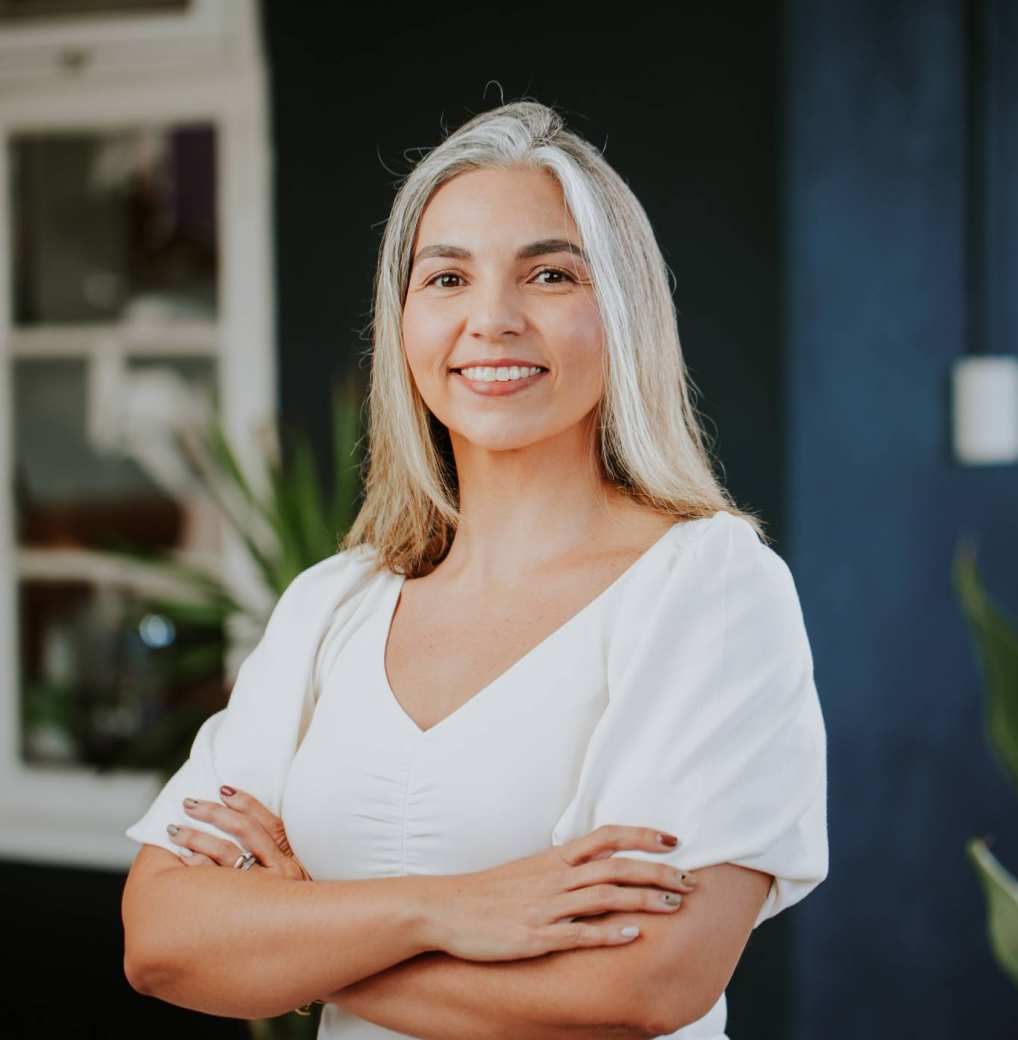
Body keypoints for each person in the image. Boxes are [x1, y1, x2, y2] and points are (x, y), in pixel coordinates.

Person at [121, 99, 828, 1039]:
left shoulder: (709, 589)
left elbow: (645, 987)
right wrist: (441, 909)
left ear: (622, 311)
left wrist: (293, 944)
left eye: (549, 273)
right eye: (446, 276)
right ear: (404, 321)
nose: (491, 320)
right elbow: (162, 941)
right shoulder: (332, 605)